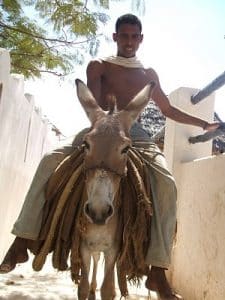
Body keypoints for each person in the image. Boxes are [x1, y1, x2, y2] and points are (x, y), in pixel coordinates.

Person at [0, 14, 219, 299]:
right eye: (124, 36)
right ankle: (22, 238)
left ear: (141, 39)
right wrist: (105, 128)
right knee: (49, 161)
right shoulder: (98, 67)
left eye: (134, 37)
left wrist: (203, 125)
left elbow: (166, 109)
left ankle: (157, 270)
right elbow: (93, 103)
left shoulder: (148, 75)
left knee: (166, 183)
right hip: (100, 127)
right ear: (115, 37)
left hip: (136, 133)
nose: (129, 42)